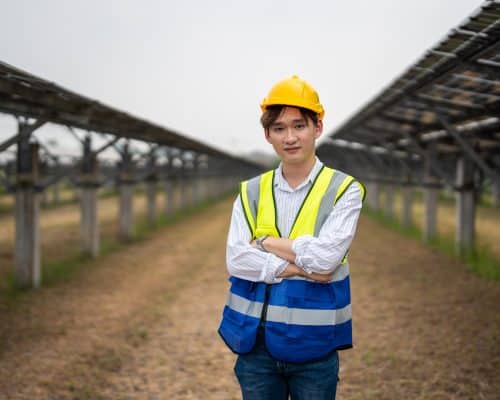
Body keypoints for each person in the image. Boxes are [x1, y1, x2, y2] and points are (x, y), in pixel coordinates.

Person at [218, 75, 365, 400]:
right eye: (279, 128)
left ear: (318, 127)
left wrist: (266, 243)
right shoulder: (250, 191)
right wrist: (301, 267)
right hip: (254, 346)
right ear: (268, 134)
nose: (290, 137)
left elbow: (326, 259)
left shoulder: (345, 189)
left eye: (299, 125)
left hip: (314, 347)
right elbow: (237, 259)